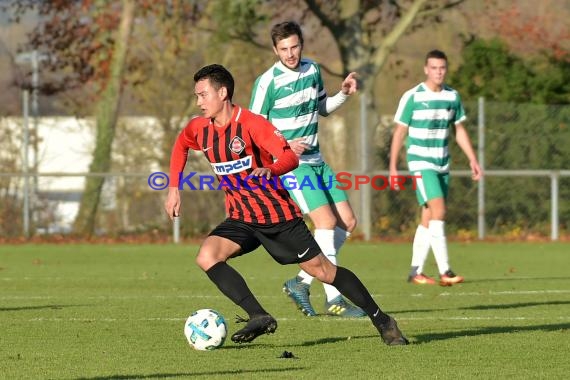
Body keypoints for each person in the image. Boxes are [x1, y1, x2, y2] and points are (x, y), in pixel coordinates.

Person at [165, 64, 408, 346]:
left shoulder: (253, 124)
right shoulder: (199, 128)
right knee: (207, 256)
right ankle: (258, 315)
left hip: (277, 217)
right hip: (242, 217)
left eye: (203, 95)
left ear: (222, 92)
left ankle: (383, 320)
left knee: (324, 271)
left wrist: (271, 170)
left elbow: (289, 158)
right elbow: (180, 146)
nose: (199, 102)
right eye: (197, 96)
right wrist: (173, 188)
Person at [249, 21, 365, 318]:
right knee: (325, 223)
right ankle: (335, 298)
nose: (290, 54)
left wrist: (344, 94)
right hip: (290, 165)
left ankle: (301, 281)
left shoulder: (312, 70)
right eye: (284, 49)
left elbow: (322, 108)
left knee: (347, 223)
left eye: (295, 46)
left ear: (302, 44)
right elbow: (254, 130)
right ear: (275, 50)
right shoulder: (267, 82)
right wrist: (284, 144)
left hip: (317, 161)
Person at [389, 49, 482, 286]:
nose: (438, 72)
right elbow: (400, 132)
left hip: (443, 163)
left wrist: (472, 158)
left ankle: (415, 271)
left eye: (442, 68)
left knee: (429, 217)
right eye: (434, 68)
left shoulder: (452, 97)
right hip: (421, 162)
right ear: (426, 69)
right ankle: (445, 271)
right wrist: (393, 166)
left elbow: (459, 130)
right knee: (439, 211)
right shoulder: (413, 96)